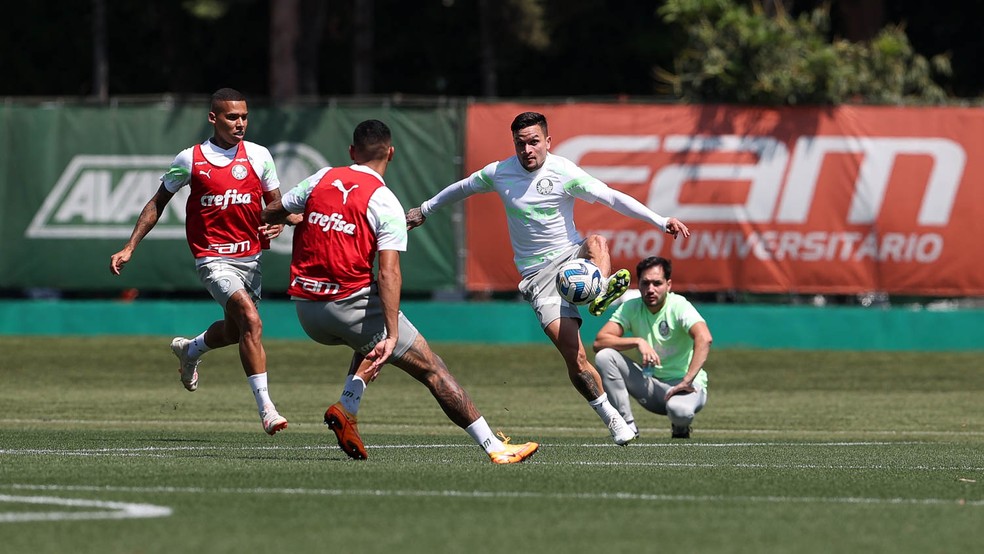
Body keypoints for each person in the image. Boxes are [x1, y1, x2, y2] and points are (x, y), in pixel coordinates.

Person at [261, 119, 538, 464]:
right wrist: (393, 335)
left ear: (351, 151)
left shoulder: (323, 177)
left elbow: (273, 210)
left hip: (306, 309)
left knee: (367, 332)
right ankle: (496, 448)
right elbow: (390, 272)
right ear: (390, 153)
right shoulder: (384, 200)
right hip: (348, 306)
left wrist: (290, 219)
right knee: (433, 368)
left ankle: (347, 407)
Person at [406, 111, 690, 446]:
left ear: (548, 142)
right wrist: (424, 210)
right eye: (520, 143)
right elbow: (463, 187)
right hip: (538, 277)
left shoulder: (564, 172)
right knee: (575, 356)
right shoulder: (500, 172)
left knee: (597, 241)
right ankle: (611, 418)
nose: (527, 149)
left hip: (572, 256)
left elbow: (611, 196)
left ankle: (597, 290)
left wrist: (659, 221)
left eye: (534, 142)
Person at [110, 87, 299, 436]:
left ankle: (190, 349)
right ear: (214, 118)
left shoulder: (259, 156)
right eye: (232, 117)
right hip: (213, 258)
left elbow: (276, 206)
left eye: (243, 116)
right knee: (252, 322)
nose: (239, 123)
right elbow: (157, 203)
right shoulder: (190, 159)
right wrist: (130, 246)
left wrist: (282, 220)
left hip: (251, 258)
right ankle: (267, 410)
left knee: (234, 330)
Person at [592, 256, 711, 439]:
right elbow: (600, 342)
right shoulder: (631, 307)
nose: (650, 289)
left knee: (679, 412)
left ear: (668, 285)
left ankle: (680, 428)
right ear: (638, 284)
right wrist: (638, 341)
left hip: (685, 387)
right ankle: (628, 427)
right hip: (650, 385)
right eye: (645, 283)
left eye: (657, 283)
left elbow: (704, 338)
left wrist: (687, 380)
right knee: (604, 356)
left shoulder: (679, 305)